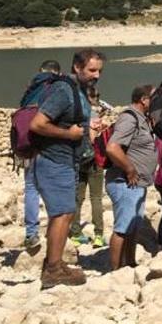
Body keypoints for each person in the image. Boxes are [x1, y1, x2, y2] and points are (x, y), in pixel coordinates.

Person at [29, 49, 104, 288]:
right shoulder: (64, 90)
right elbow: (37, 124)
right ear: (77, 68)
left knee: (64, 212)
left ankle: (56, 262)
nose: (97, 75)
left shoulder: (78, 91)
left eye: (99, 71)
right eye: (92, 70)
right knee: (62, 213)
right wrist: (69, 134)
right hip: (54, 160)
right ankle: (52, 269)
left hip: (65, 161)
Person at [103, 84, 156, 270]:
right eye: (154, 98)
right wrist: (130, 169)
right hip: (124, 181)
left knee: (133, 226)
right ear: (144, 99)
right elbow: (112, 147)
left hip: (136, 183)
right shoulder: (129, 118)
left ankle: (130, 263)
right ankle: (115, 270)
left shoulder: (143, 119)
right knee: (123, 227)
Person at [19, 59, 62, 254]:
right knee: (55, 188)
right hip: (49, 146)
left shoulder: (30, 89)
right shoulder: (56, 87)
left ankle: (31, 234)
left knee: (31, 188)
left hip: (27, 146)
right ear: (57, 73)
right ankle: (57, 232)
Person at [69, 90, 108, 248]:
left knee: (78, 198)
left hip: (79, 159)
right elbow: (93, 139)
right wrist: (100, 130)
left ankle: (76, 233)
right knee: (96, 198)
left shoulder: (76, 114)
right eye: (96, 97)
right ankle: (98, 235)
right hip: (94, 161)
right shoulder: (92, 115)